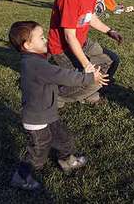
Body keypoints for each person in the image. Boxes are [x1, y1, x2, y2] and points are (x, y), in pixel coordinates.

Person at [8, 21, 108, 190]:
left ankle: (67, 160)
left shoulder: (33, 59)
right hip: (37, 118)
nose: (45, 39)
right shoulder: (35, 64)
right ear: (27, 45)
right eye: (41, 38)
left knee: (63, 138)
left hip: (48, 113)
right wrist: (88, 77)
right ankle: (21, 176)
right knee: (40, 150)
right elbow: (63, 76)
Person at [47, 0, 122, 104]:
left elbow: (91, 17)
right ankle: (56, 98)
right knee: (93, 80)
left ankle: (86, 93)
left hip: (82, 42)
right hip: (62, 49)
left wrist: (109, 31)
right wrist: (87, 66)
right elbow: (69, 37)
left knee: (113, 60)